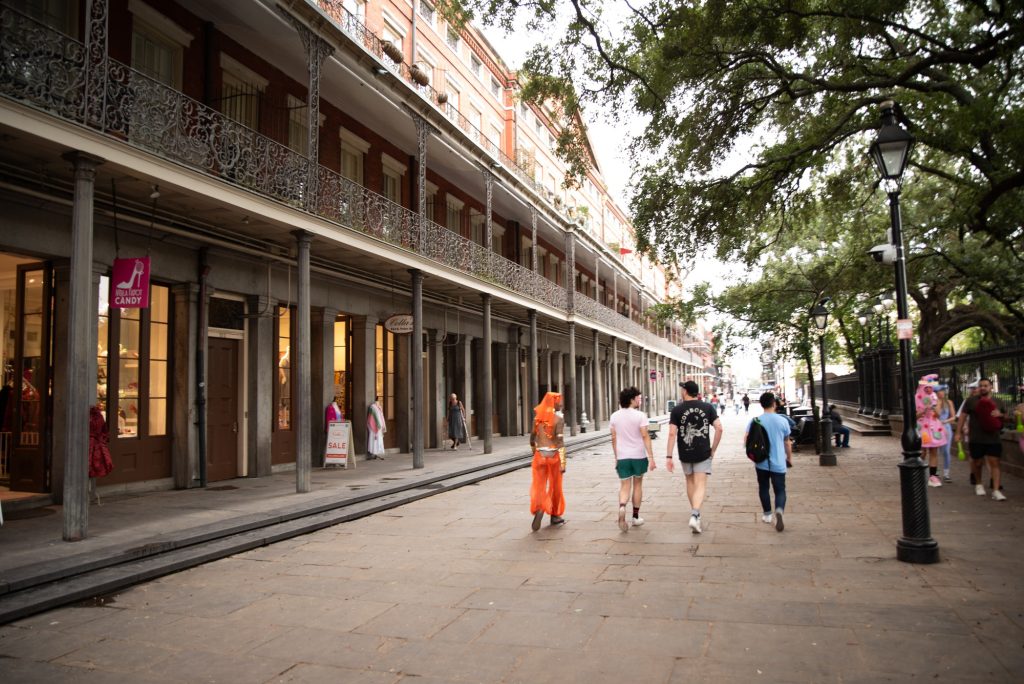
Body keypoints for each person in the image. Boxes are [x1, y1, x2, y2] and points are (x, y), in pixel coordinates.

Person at [665, 380, 722, 534]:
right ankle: (695, 515)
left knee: (690, 481)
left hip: (685, 452)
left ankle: (695, 513)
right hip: (703, 452)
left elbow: (672, 433)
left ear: (685, 391)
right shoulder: (708, 407)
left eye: (682, 389)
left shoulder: (677, 410)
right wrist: (713, 449)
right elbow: (719, 428)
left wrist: (669, 456)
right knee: (701, 484)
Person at [609, 387, 656, 531]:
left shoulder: (614, 416)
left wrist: (617, 457)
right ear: (631, 399)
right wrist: (651, 457)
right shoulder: (640, 416)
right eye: (638, 398)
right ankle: (635, 517)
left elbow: (614, 437)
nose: (640, 400)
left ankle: (622, 506)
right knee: (637, 485)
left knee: (624, 485)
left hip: (622, 456)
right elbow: (645, 436)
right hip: (638, 456)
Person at [955, 378, 1007, 500]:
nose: (983, 387)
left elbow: (1006, 416)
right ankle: (978, 484)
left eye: (985, 385)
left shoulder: (998, 401)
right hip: (976, 438)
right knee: (977, 463)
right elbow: (962, 416)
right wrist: (958, 432)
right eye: (981, 386)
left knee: (995, 462)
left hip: (993, 438)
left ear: (990, 387)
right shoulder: (971, 401)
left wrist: (1000, 414)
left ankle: (996, 490)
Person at [747, 392, 792, 531]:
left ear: (761, 404)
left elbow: (747, 440)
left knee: (763, 487)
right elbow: (787, 442)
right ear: (774, 404)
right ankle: (779, 510)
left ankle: (767, 514)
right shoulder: (782, 421)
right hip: (778, 462)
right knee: (780, 490)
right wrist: (789, 458)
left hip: (761, 462)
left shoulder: (755, 421)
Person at [529, 391, 567, 529]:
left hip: (540, 456)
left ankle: (539, 508)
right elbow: (560, 442)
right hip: (553, 456)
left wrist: (535, 453)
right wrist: (563, 462)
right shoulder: (558, 420)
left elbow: (532, 439)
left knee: (539, 485)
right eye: (559, 401)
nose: (561, 404)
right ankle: (555, 515)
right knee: (555, 486)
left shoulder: (537, 419)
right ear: (554, 403)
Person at [916, 374, 948, 487]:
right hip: (922, 427)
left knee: (934, 451)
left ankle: (933, 477)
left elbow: (938, 415)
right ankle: (917, 472)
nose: (929, 389)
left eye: (931, 387)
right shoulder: (917, 398)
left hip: (934, 427)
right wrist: (924, 409)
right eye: (927, 387)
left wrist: (934, 407)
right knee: (922, 451)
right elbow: (914, 416)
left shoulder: (936, 398)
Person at [935, 385, 956, 482]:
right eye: (938, 391)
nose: (941, 393)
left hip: (946, 427)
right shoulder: (934, 403)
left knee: (946, 451)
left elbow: (953, 417)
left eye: (942, 391)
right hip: (935, 428)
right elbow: (936, 415)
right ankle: (935, 471)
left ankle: (946, 473)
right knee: (936, 451)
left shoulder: (949, 402)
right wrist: (938, 404)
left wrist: (945, 421)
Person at [366, 395, 386, 460]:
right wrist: (375, 425)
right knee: (374, 439)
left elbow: (381, 416)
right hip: (374, 426)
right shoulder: (372, 407)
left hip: (379, 426)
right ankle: (373, 452)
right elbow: (370, 417)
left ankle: (377, 453)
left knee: (379, 440)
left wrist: (382, 425)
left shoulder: (379, 407)